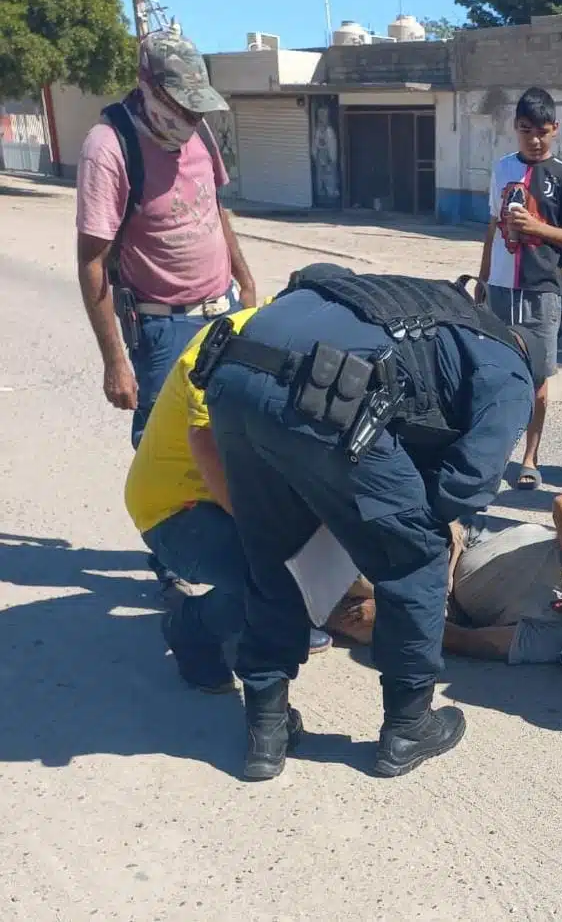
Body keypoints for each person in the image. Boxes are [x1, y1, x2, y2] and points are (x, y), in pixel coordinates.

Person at [201, 264, 541, 781]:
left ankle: (265, 731)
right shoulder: (512, 371)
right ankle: (408, 727)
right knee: (415, 551)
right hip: (317, 392)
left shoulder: (432, 307)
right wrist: (398, 527)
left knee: (274, 552)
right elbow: (465, 484)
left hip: (231, 374)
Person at [124, 307, 333, 694]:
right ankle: (191, 628)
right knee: (276, 584)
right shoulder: (222, 347)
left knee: (317, 565)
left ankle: (273, 612)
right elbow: (205, 443)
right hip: (176, 508)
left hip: (236, 485)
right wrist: (271, 538)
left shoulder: (304, 333)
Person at [76, 29, 256, 450]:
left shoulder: (199, 133)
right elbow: (91, 262)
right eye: (182, 106)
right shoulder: (108, 148)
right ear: (149, 89)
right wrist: (115, 362)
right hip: (163, 326)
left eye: (198, 109)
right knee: (169, 450)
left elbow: (214, 210)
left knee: (230, 438)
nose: (192, 120)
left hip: (224, 313)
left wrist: (244, 282)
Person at [326, 495, 562, 670]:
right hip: (457, 538)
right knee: (356, 571)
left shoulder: (551, 640)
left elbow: (467, 641)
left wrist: (401, 617)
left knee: (367, 619)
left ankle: (305, 614)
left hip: (448, 603)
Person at [478, 87, 562, 491]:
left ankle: (530, 457)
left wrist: (537, 229)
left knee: (538, 378)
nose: (534, 139)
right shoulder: (502, 168)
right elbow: (491, 226)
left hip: (541, 290)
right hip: (501, 289)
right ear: (515, 128)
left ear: (555, 129)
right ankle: (491, 454)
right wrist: (483, 278)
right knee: (493, 371)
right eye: (525, 130)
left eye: (542, 131)